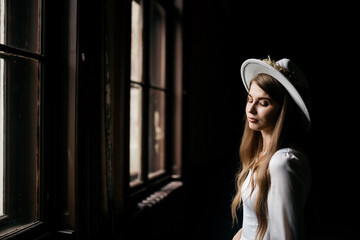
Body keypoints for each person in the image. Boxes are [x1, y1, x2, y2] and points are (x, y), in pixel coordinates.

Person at [231, 57, 311, 240]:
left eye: (263, 103)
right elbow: (254, 224)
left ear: (284, 110)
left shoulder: (282, 163)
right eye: (249, 99)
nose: (250, 109)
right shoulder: (262, 155)